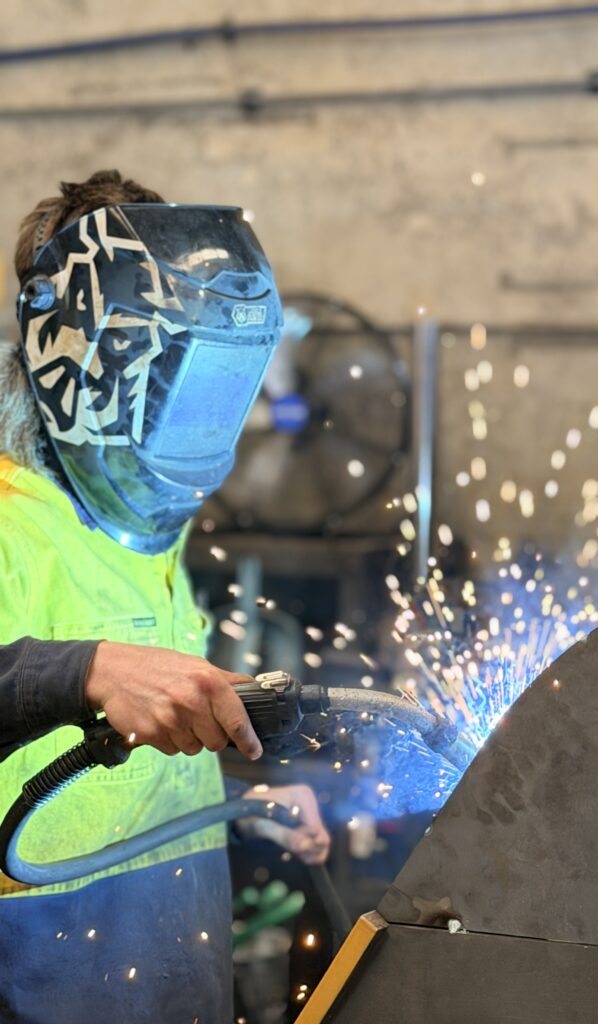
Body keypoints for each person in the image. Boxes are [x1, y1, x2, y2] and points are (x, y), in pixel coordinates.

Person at [0, 170, 330, 1024]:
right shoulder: (9, 523)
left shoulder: (139, 526)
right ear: (80, 357)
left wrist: (237, 808)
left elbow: (123, 754)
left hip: (169, 978)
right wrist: (83, 669)